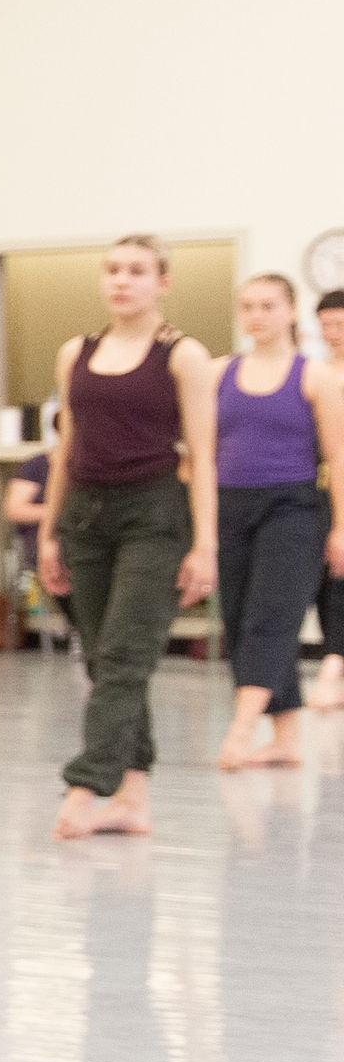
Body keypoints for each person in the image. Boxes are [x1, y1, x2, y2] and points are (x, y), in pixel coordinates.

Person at [39, 234, 216, 839]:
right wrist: (48, 533)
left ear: (162, 282)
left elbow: (204, 454)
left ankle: (86, 784)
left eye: (137, 271)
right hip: (85, 517)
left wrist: (205, 545)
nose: (122, 280)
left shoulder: (183, 355)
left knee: (124, 655)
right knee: (103, 657)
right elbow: (66, 446)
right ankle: (133, 798)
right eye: (112, 270)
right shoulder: (76, 353)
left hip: (154, 514)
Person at [209, 273, 342, 768]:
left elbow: (338, 455)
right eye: (248, 307)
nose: (257, 316)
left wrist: (341, 529)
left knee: (272, 616)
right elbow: (200, 451)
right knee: (240, 620)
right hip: (230, 506)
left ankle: (241, 731)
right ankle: (285, 738)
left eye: (268, 306)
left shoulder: (315, 377)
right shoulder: (219, 372)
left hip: (293, 509)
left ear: (291, 312)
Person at [321, 290, 344, 711]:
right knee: (333, 578)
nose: (334, 333)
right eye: (326, 325)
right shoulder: (316, 374)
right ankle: (332, 662)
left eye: (340, 324)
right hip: (326, 490)